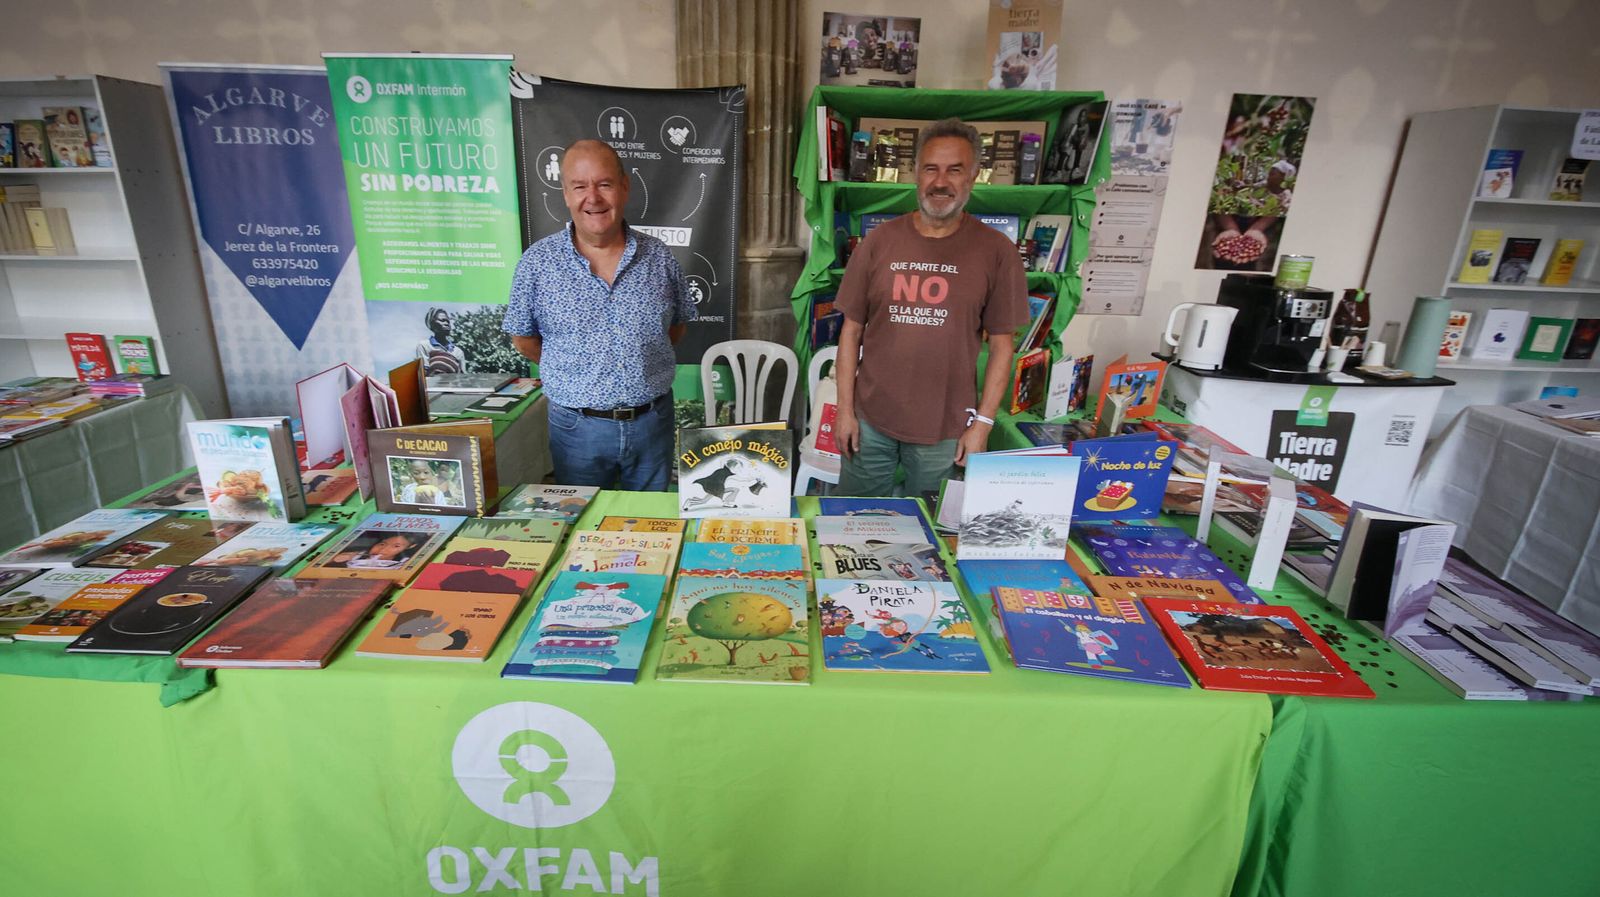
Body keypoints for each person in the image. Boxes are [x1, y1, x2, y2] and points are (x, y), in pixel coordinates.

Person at [833, 118, 1030, 498]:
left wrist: (984, 425)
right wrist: (845, 410)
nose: (941, 182)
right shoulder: (879, 242)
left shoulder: (997, 252)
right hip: (869, 422)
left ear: (973, 177)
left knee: (933, 536)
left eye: (955, 170)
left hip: (946, 431)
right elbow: (850, 331)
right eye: (931, 169)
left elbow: (1003, 347)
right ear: (916, 175)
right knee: (853, 522)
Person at [503, 139, 696, 491]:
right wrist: (577, 371)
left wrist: (638, 360)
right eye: (579, 186)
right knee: (582, 530)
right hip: (577, 430)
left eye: (604, 184)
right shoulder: (537, 263)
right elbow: (523, 338)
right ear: (565, 193)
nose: (592, 198)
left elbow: (676, 327)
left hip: (652, 423)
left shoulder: (660, 258)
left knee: (652, 527)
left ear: (624, 187)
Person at [416, 307, 466, 374]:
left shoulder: (458, 352)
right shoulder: (424, 346)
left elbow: (462, 378)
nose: (446, 323)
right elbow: (424, 373)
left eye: (448, 321)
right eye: (442, 320)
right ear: (432, 324)